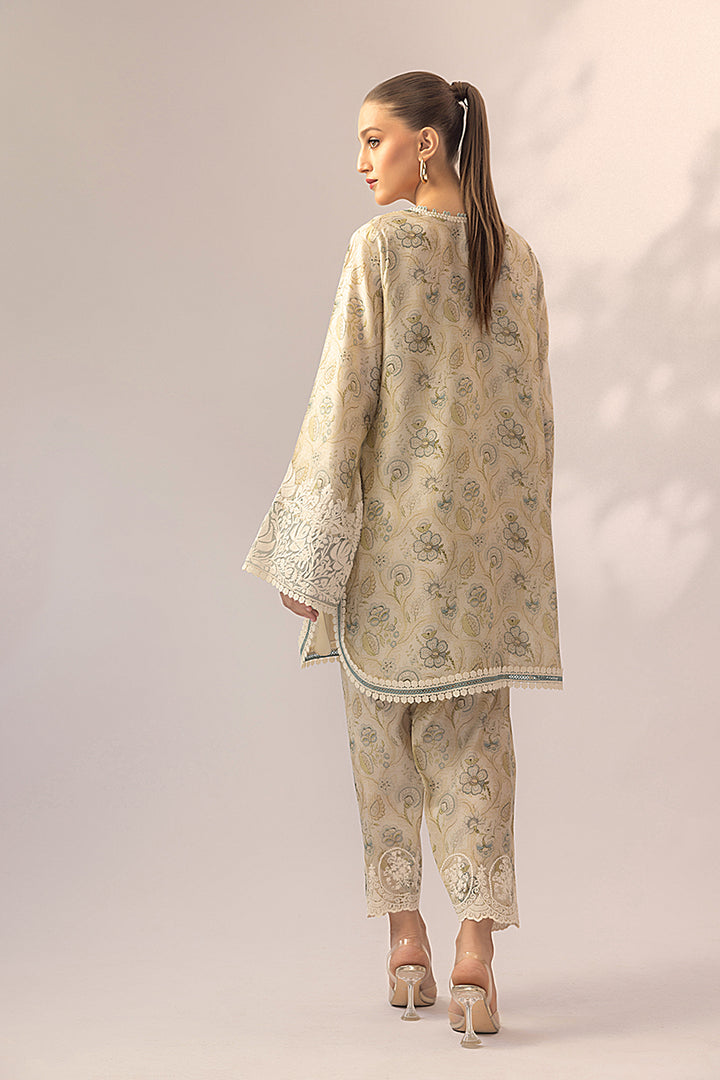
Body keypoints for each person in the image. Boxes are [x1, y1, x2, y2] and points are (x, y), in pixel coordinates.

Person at [243, 70, 563, 1046]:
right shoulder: (518, 258)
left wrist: (310, 557)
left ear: (427, 143)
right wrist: (520, 566)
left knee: (384, 749)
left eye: (373, 139)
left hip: (389, 562)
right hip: (484, 571)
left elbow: (341, 403)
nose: (360, 162)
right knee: (476, 756)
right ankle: (475, 957)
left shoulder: (380, 249)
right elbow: (533, 427)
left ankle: (407, 943)